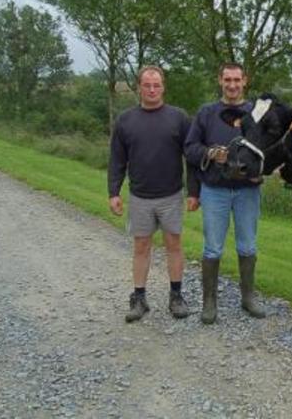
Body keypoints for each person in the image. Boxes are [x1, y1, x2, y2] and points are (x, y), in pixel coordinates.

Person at [108, 65, 199, 323]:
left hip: (171, 195)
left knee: (174, 245)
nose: (151, 89)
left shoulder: (179, 118)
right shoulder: (125, 120)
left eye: (156, 85)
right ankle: (139, 299)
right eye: (146, 85)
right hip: (139, 197)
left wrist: (193, 191)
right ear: (139, 87)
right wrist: (113, 192)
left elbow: (191, 157)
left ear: (163, 87)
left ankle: (176, 296)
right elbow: (116, 160)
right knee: (141, 247)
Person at [185, 62, 265, 324]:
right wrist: (210, 153)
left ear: (245, 81)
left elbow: (270, 145)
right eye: (227, 79)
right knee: (212, 249)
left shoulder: (256, 112)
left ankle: (248, 297)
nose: (232, 85)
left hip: (248, 192)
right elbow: (190, 148)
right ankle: (209, 303)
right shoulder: (206, 113)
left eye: (237, 80)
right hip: (214, 191)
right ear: (220, 80)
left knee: (248, 245)